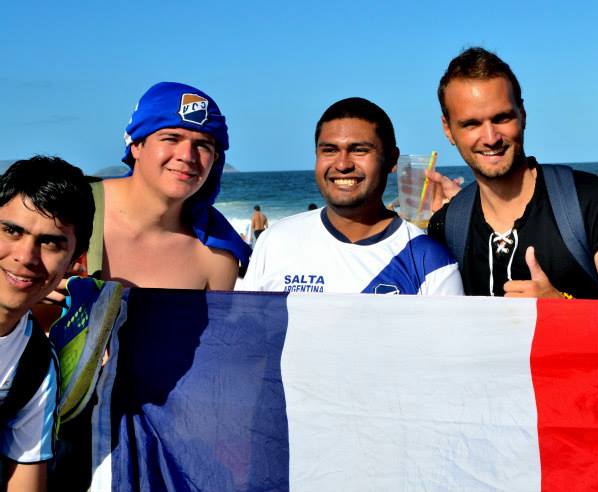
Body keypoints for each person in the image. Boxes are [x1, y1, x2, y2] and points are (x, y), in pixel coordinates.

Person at [427, 47, 598, 299]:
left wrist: (560, 310)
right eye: (471, 124)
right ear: (447, 129)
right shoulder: (446, 226)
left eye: (502, 118)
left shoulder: (592, 202)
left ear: (522, 115)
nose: (490, 138)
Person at [238, 98, 462, 295]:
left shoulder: (428, 260)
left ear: (392, 160)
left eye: (359, 150)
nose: (343, 164)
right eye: (329, 150)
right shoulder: (276, 242)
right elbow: (246, 334)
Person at [88, 82, 250, 290]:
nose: (187, 156)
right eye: (171, 138)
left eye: (202, 145)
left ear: (215, 158)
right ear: (136, 146)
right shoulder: (74, 208)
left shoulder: (215, 257)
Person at [0, 156, 94, 491]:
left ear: (75, 260)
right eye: (11, 230)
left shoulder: (36, 366)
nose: (25, 256)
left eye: (51, 242)